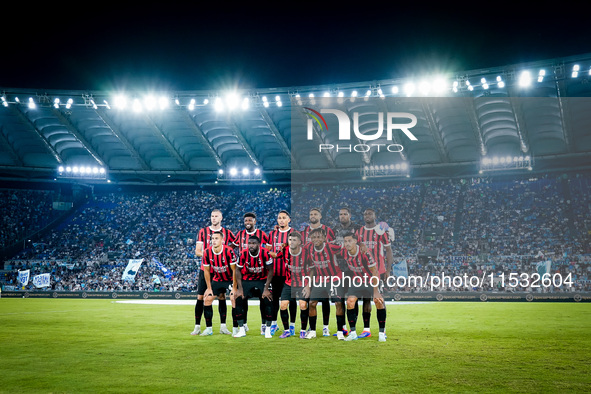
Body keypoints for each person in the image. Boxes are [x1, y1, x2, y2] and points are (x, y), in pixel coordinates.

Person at [191, 209, 235, 336]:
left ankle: (223, 326)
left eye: (216, 216)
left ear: (221, 218)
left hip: (220, 271)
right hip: (205, 269)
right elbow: (197, 251)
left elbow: (236, 243)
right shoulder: (203, 232)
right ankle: (197, 326)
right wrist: (210, 254)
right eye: (212, 216)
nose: (214, 218)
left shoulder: (227, 232)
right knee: (200, 297)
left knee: (222, 297)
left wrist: (224, 252)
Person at [340, 232, 387, 342]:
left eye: (349, 241)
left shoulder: (365, 253)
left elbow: (375, 271)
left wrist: (375, 291)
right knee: (350, 302)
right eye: (345, 241)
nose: (347, 243)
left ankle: (382, 332)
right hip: (358, 280)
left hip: (371, 280)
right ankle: (352, 333)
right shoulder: (343, 252)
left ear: (355, 241)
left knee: (378, 301)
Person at [355, 208, 393, 338]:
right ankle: (367, 330)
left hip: (379, 271)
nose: (367, 215)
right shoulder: (359, 232)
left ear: (375, 215)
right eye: (365, 213)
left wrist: (388, 270)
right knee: (366, 300)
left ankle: (383, 330)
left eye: (370, 213)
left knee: (379, 299)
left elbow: (388, 251)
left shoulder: (381, 231)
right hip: (364, 273)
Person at [302, 227, 346, 339]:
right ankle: (312, 331)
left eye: (319, 237)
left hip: (335, 278)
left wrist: (361, 246)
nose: (316, 239)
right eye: (314, 237)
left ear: (325, 238)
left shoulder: (331, 247)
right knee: (311, 303)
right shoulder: (308, 248)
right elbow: (297, 247)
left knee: (338, 303)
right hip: (320, 280)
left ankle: (340, 332)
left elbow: (347, 247)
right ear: (310, 239)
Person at [231, 212, 268, 334]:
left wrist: (261, 258)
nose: (247, 222)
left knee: (264, 299)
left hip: (260, 272)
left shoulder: (262, 234)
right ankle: (244, 324)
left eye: (250, 220)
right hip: (244, 272)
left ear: (255, 221)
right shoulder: (240, 234)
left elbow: (269, 248)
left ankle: (264, 325)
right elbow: (233, 246)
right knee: (242, 298)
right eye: (246, 220)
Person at [233, 235, 274, 338]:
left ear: (259, 244)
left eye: (253, 243)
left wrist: (266, 288)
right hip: (247, 280)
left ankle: (267, 329)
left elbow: (271, 270)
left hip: (262, 279)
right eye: (249, 243)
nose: (251, 245)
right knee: (238, 299)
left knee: (268, 300)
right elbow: (237, 270)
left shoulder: (265, 253)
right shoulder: (243, 253)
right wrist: (240, 289)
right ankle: (242, 329)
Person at [273, 231, 311, 338]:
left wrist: (309, 285)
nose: (292, 242)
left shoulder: (306, 253)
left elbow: (312, 269)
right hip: (289, 283)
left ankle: (303, 330)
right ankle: (286, 330)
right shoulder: (285, 251)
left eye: (294, 240)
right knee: (283, 305)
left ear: (299, 242)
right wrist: (264, 251)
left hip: (303, 283)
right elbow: (276, 255)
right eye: (290, 240)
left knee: (303, 305)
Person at [200, 231, 237, 336]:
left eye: (216, 238)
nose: (214, 241)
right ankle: (209, 329)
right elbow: (206, 271)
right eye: (212, 239)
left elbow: (234, 270)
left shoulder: (229, 251)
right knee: (207, 299)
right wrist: (209, 288)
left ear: (222, 240)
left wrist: (234, 288)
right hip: (217, 279)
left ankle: (234, 329)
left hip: (229, 279)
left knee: (233, 299)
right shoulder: (207, 252)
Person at [332, 206, 362, 335]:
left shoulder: (357, 229)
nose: (342, 216)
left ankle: (352, 326)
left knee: (352, 300)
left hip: (353, 270)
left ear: (350, 215)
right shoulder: (334, 230)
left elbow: (361, 246)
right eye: (340, 214)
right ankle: (342, 327)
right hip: (338, 270)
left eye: (345, 214)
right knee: (339, 300)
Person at [265, 210, 293, 336]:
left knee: (291, 301)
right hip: (275, 273)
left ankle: (291, 326)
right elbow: (267, 251)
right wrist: (272, 254)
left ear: (289, 220)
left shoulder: (294, 233)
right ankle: (274, 324)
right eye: (279, 218)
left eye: (284, 218)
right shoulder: (272, 234)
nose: (281, 220)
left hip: (289, 274)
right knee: (274, 299)